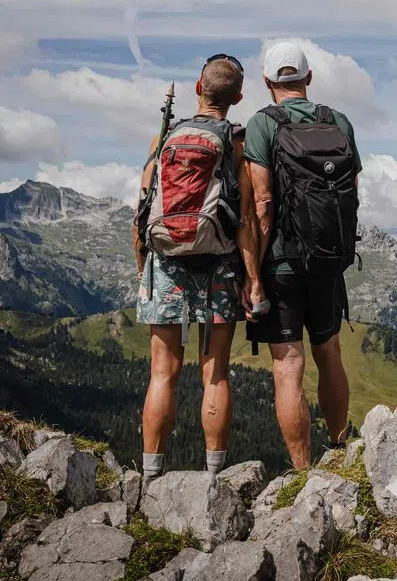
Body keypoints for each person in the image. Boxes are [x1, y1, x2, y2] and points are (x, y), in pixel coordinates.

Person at [132, 54, 265, 479]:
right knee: (216, 372)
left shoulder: (166, 137)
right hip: (219, 265)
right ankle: (214, 475)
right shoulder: (236, 141)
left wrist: (143, 269)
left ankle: (151, 473)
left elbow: (142, 209)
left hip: (165, 260)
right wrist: (254, 279)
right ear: (238, 97)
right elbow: (245, 218)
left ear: (197, 87)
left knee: (162, 373)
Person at [244, 41, 361, 468]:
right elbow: (351, 192)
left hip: (283, 262)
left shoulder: (262, 125)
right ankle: (340, 450)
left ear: (267, 82)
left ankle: (303, 472)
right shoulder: (339, 122)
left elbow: (261, 204)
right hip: (329, 259)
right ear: (308, 79)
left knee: (288, 366)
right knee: (329, 352)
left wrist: (253, 276)